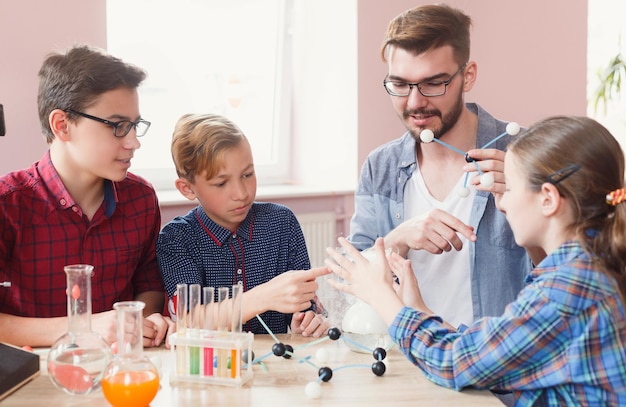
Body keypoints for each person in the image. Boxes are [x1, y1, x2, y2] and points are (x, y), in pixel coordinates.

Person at [328, 115, 626, 405]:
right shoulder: (589, 266)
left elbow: (453, 363)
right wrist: (418, 311)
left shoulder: (565, 290)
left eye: (508, 188)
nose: (503, 202)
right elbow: (495, 351)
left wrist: (382, 297)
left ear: (548, 198)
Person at [349, 4, 534, 328]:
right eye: (401, 85)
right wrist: (400, 237)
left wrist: (524, 202)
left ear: (468, 75)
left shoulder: (524, 154)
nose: (415, 102)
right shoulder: (380, 167)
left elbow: (567, 276)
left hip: (490, 363)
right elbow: (353, 282)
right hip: (404, 358)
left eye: (434, 83)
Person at [0, 45, 173, 348]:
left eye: (134, 126)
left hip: (118, 375)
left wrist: (137, 323)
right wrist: (85, 328)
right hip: (31, 382)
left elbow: (149, 287)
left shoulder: (141, 199)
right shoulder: (8, 204)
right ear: (62, 125)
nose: (133, 142)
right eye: (118, 126)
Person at [156, 113, 330, 337]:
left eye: (248, 174)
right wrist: (264, 297)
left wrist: (307, 322)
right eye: (221, 183)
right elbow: (189, 321)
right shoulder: (176, 238)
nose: (241, 193)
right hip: (211, 368)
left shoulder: (282, 223)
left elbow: (305, 306)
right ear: (187, 188)